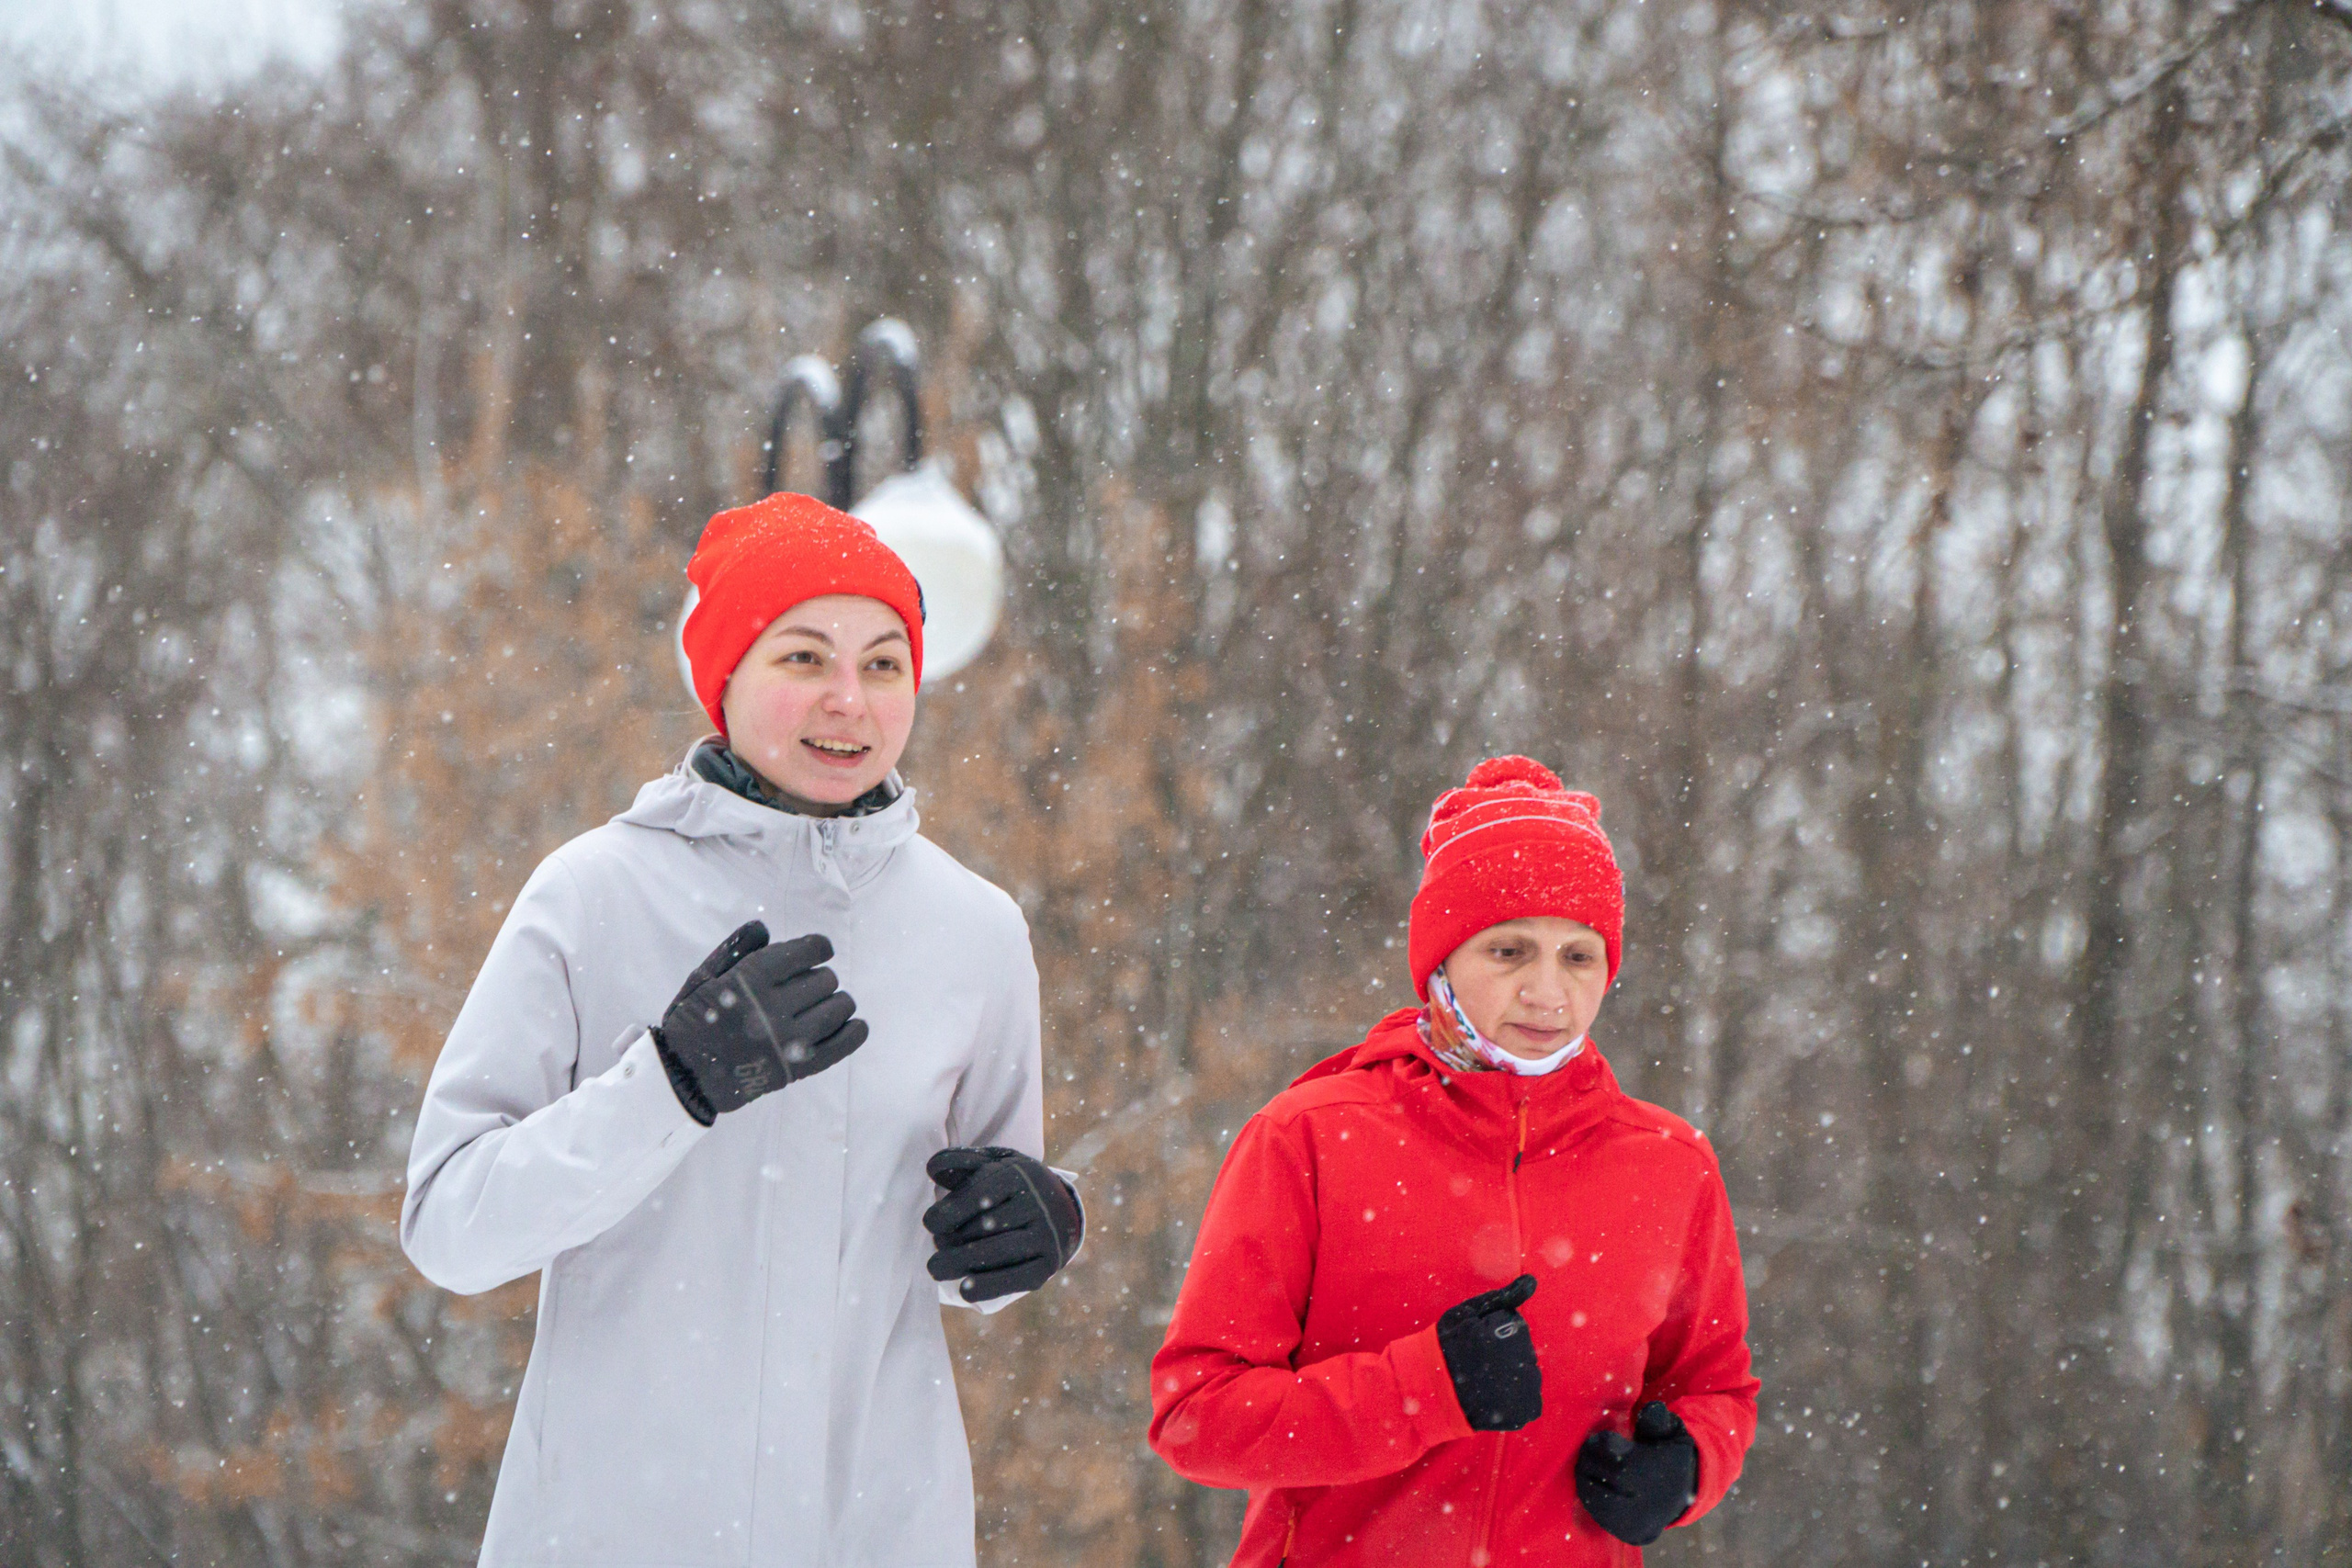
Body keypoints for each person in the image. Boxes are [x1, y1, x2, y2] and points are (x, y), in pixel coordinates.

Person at [401, 491, 1082, 1567]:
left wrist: (1037, 1225)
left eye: (885, 664)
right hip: (620, 1528)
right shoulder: (594, 893)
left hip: (878, 1528)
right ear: (724, 677)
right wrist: (670, 1084)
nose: (849, 701)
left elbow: (965, 1249)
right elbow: (451, 1227)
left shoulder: (976, 931)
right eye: (804, 658)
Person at [1149, 756, 1758, 1564]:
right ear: (1442, 959)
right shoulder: (1309, 1137)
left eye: (1579, 956)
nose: (1549, 993)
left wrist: (1687, 1466)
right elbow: (1196, 1417)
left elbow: (1714, 1386)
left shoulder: (1670, 1165)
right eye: (1510, 952)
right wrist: (1422, 1389)